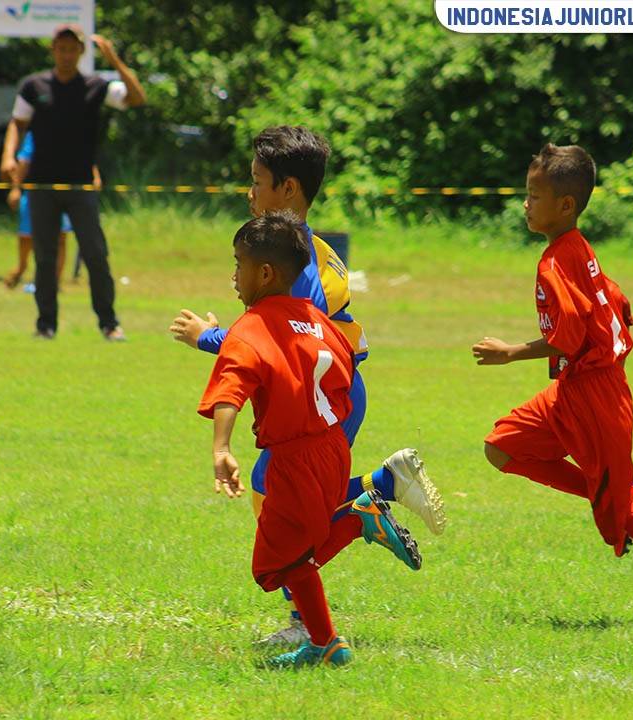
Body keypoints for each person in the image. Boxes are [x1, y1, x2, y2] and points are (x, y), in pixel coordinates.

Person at [171, 125, 445, 645]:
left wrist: (208, 337)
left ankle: (309, 617)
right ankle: (379, 492)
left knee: (283, 504)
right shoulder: (305, 246)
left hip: (322, 398)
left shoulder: (297, 270)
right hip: (335, 389)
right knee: (290, 497)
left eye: (258, 182)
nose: (249, 192)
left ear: (289, 189)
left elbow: (288, 344)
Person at [471, 143, 633, 629]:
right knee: (502, 448)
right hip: (573, 391)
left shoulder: (553, 263)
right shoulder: (578, 249)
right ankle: (605, 492)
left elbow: (568, 335)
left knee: (627, 514)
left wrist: (510, 352)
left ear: (565, 205)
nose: (525, 204)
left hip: (595, 397)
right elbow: (616, 301)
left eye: (534, 195)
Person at [199, 212, 422, 669]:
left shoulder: (252, 326)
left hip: (295, 456)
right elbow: (344, 371)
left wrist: (222, 447)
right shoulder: (318, 320)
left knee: (273, 565)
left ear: (265, 273)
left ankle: (359, 520)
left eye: (238, 265)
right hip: (333, 446)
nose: (233, 277)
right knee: (297, 553)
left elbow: (232, 385)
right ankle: (326, 643)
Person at [0, 25, 146, 340]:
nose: (67, 54)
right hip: (41, 186)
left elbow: (136, 97)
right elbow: (18, 123)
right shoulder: (33, 85)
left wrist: (115, 62)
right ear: (53, 50)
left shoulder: (95, 86)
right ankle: (46, 324)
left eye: (73, 48)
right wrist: (8, 157)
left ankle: (108, 322)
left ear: (81, 52)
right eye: (61, 48)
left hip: (80, 185)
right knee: (45, 258)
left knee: (95, 253)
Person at [4, 132, 103, 289]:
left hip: (66, 192)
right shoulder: (37, 132)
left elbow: (85, 154)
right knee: (27, 237)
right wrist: (16, 189)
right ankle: (22, 268)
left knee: (61, 238)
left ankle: (54, 282)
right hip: (37, 193)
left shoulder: (74, 132)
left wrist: (95, 175)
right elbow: (24, 162)